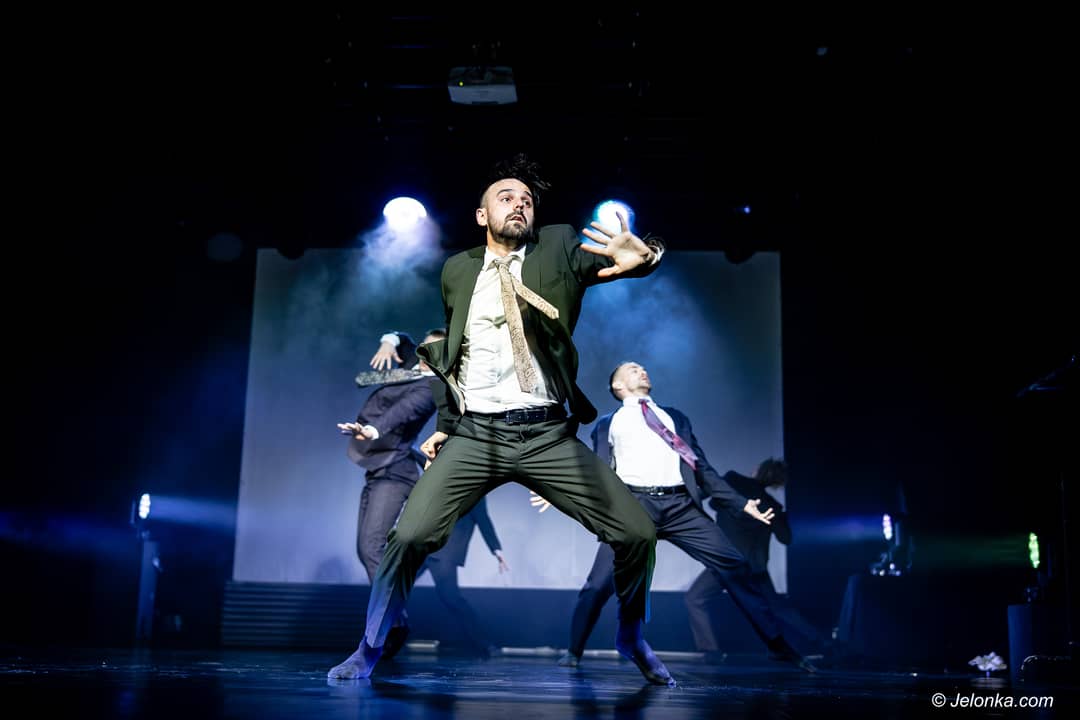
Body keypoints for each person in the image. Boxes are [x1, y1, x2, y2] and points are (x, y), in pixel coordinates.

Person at [328, 153, 674, 685]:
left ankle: (632, 635)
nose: (518, 204)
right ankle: (370, 646)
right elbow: (456, 354)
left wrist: (646, 255)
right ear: (481, 214)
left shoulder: (557, 246)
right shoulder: (457, 269)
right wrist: (445, 426)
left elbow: (618, 262)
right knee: (409, 536)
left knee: (636, 533)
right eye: (505, 197)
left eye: (527, 200)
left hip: (545, 434)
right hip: (476, 435)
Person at [536, 361, 816, 673]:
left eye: (643, 368)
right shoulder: (607, 424)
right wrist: (560, 490)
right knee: (599, 584)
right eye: (632, 369)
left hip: (681, 506)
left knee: (734, 565)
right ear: (617, 386)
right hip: (633, 506)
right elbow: (597, 469)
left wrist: (741, 503)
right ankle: (574, 649)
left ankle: (777, 645)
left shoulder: (675, 417)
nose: (641, 371)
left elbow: (702, 468)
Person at [337, 328, 444, 657]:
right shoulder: (413, 366)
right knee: (366, 550)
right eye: (424, 349)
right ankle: (395, 620)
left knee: (371, 547)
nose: (424, 355)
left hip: (395, 473)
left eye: (433, 351)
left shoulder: (431, 387)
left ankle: (394, 624)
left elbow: (403, 412)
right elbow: (403, 339)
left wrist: (372, 429)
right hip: (378, 470)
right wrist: (389, 341)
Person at [684, 459, 829, 658]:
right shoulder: (772, 506)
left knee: (695, 598)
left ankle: (710, 651)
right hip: (754, 567)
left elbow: (712, 501)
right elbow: (786, 538)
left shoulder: (733, 480)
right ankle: (824, 643)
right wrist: (781, 515)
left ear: (758, 469)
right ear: (776, 483)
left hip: (728, 563)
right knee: (778, 609)